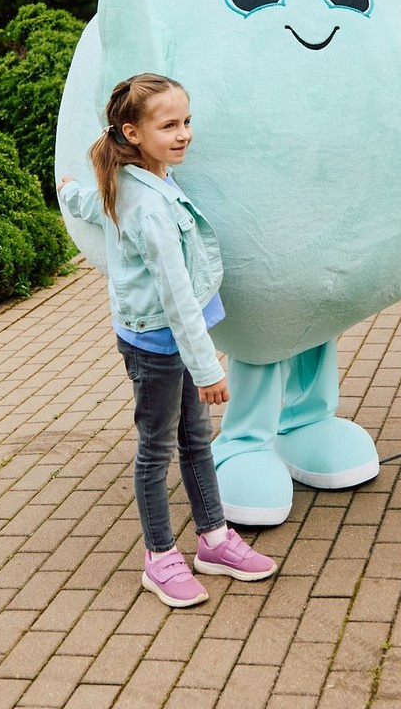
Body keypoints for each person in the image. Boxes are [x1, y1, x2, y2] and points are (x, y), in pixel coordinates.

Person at [56, 74, 278, 608]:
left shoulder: (141, 178)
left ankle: (215, 539)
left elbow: (100, 206)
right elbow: (176, 296)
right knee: (156, 450)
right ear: (132, 133)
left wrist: (71, 196)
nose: (184, 135)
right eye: (169, 126)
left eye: (186, 122)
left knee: (195, 441)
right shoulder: (148, 203)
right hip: (158, 344)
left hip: (167, 336)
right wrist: (209, 371)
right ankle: (159, 557)